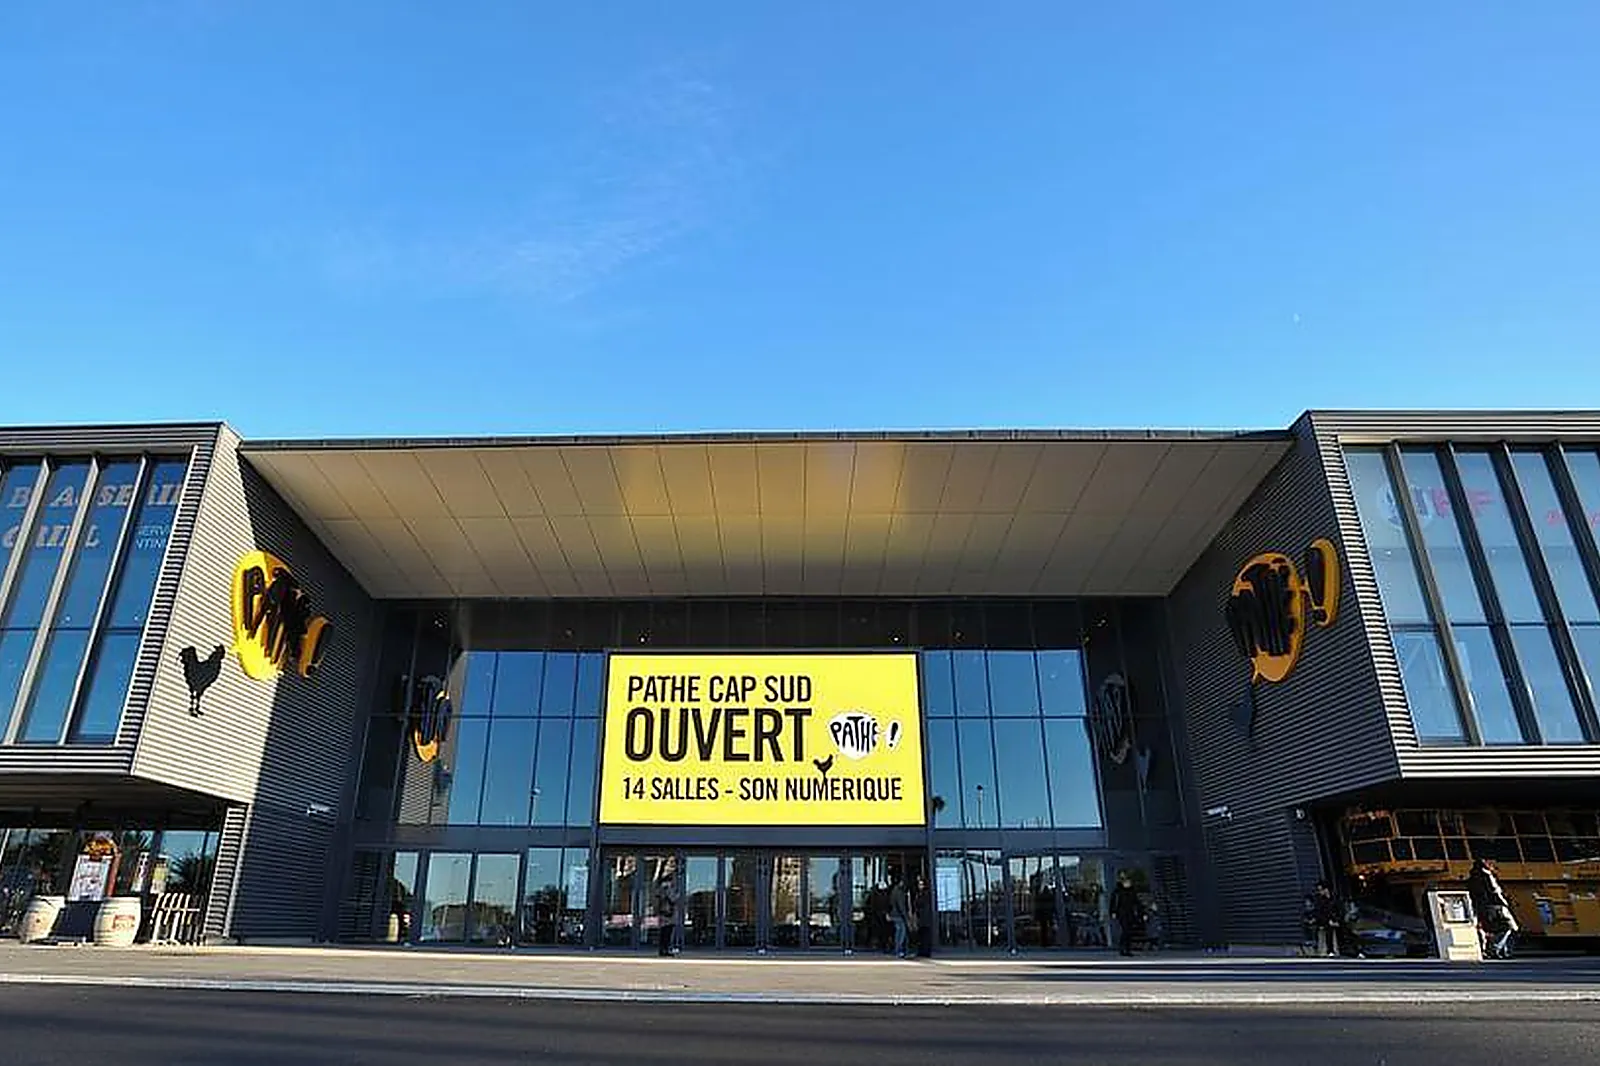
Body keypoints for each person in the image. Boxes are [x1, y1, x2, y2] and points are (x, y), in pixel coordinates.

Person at [1466, 858, 1518, 959]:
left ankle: (1500, 950)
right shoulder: (1487, 875)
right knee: (1509, 927)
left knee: (1494, 929)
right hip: (1495, 906)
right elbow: (1495, 891)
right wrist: (1505, 903)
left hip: (1481, 907)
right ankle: (1496, 949)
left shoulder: (1472, 878)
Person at [1110, 871, 1145, 957]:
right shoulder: (1118, 891)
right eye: (1127, 882)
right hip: (1121, 913)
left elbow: (1137, 903)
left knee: (1128, 931)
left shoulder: (1132, 891)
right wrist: (1113, 912)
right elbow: (1113, 902)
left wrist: (1142, 913)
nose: (1128, 883)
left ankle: (1127, 948)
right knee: (1125, 930)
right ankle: (1123, 948)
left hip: (1130, 913)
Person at [1310, 881, 1343, 957]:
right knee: (1328, 929)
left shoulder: (1335, 897)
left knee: (1346, 930)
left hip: (1336, 919)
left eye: (1321, 890)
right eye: (1318, 890)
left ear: (1326, 889)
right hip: (1325, 920)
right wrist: (1329, 921)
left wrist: (1337, 920)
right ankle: (1330, 950)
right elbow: (1320, 913)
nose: (1320, 892)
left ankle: (1357, 951)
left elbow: (1340, 910)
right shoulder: (1320, 900)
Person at [655, 872, 680, 957]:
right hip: (668, 914)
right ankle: (665, 950)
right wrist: (678, 895)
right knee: (667, 933)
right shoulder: (668, 888)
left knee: (663, 933)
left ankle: (662, 950)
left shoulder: (660, 889)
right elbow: (672, 899)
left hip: (662, 913)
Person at [888, 875, 910, 959]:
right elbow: (901, 905)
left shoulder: (894, 890)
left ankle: (898, 950)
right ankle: (898, 950)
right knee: (901, 933)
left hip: (894, 914)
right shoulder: (899, 892)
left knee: (898, 933)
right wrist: (906, 916)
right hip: (899, 915)